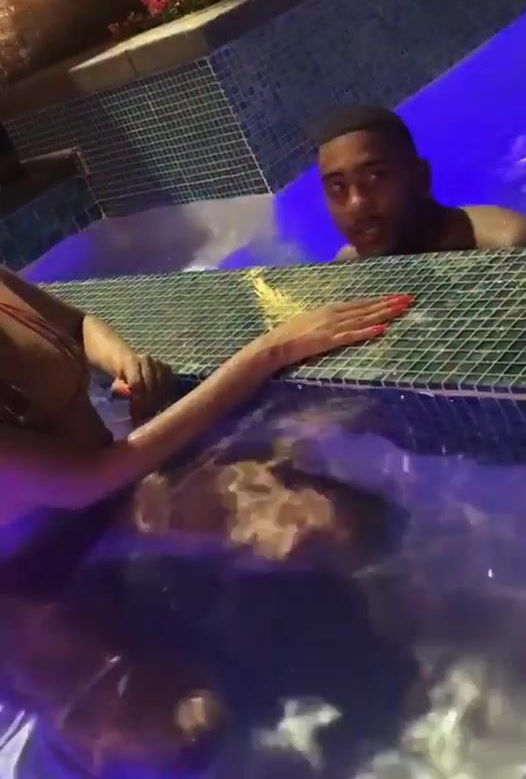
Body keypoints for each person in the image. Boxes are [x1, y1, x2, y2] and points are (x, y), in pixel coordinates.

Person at [0, 265, 413, 774]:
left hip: (107, 497)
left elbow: (75, 324)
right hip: (27, 576)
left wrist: (123, 362)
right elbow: (87, 478)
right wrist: (270, 352)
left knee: (334, 525)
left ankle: (378, 665)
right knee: (181, 727)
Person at [316, 105, 526, 260]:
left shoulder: (512, 246)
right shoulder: (351, 262)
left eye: (375, 176)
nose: (357, 203)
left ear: (421, 177)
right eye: (337, 186)